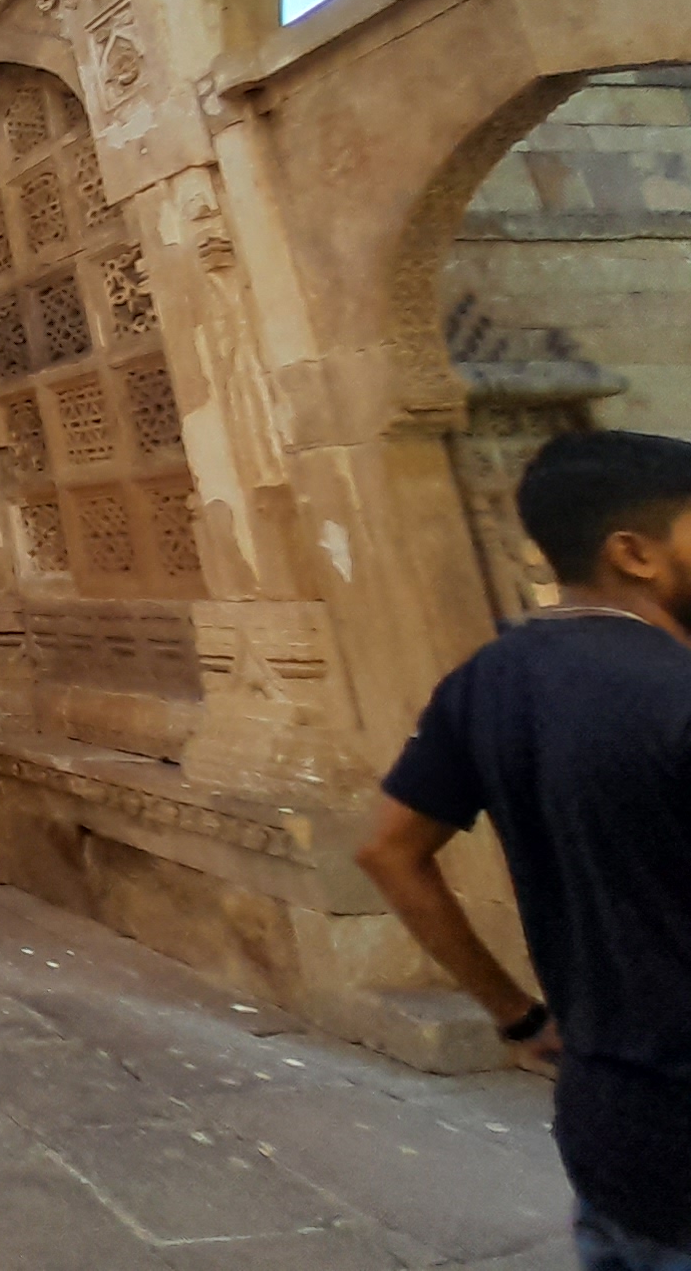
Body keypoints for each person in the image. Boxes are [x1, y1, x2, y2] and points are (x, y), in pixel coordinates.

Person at [356, 429, 691, 1271]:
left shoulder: (489, 680)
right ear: (636, 553)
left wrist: (516, 1015)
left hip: (607, 1128)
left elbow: (389, 850)